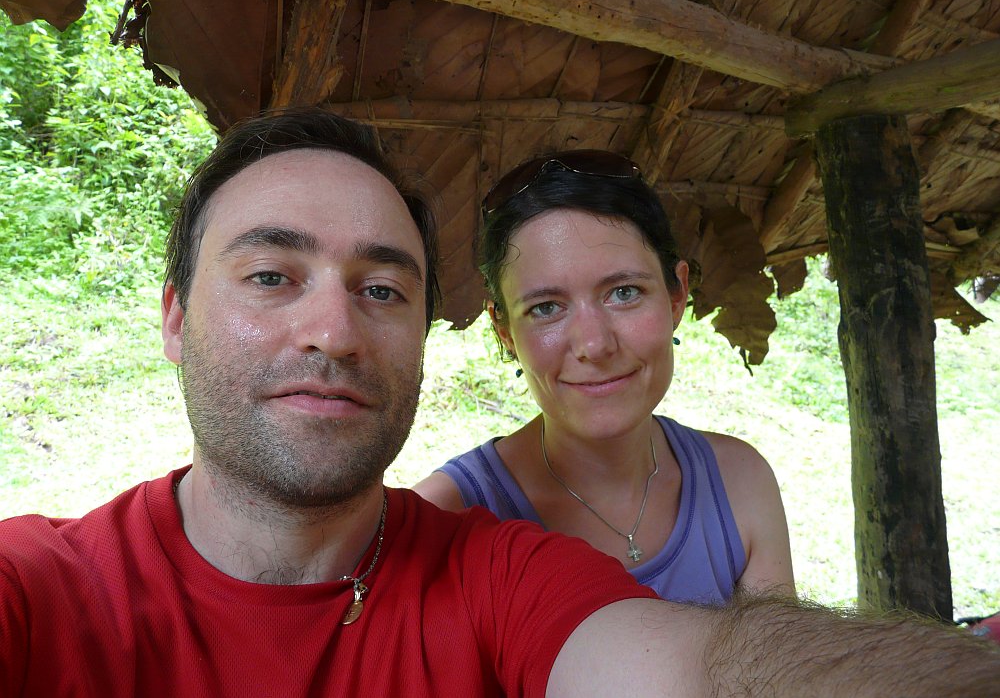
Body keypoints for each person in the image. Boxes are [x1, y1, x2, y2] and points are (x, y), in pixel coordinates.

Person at [0, 109, 996, 697]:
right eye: (270, 276)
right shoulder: (45, 593)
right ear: (174, 318)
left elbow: (724, 665)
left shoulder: (497, 574)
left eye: (381, 288)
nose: (333, 331)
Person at [415, 151, 793, 603]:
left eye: (624, 292)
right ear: (505, 331)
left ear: (676, 297)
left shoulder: (739, 483)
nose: (594, 345)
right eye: (546, 308)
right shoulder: (443, 522)